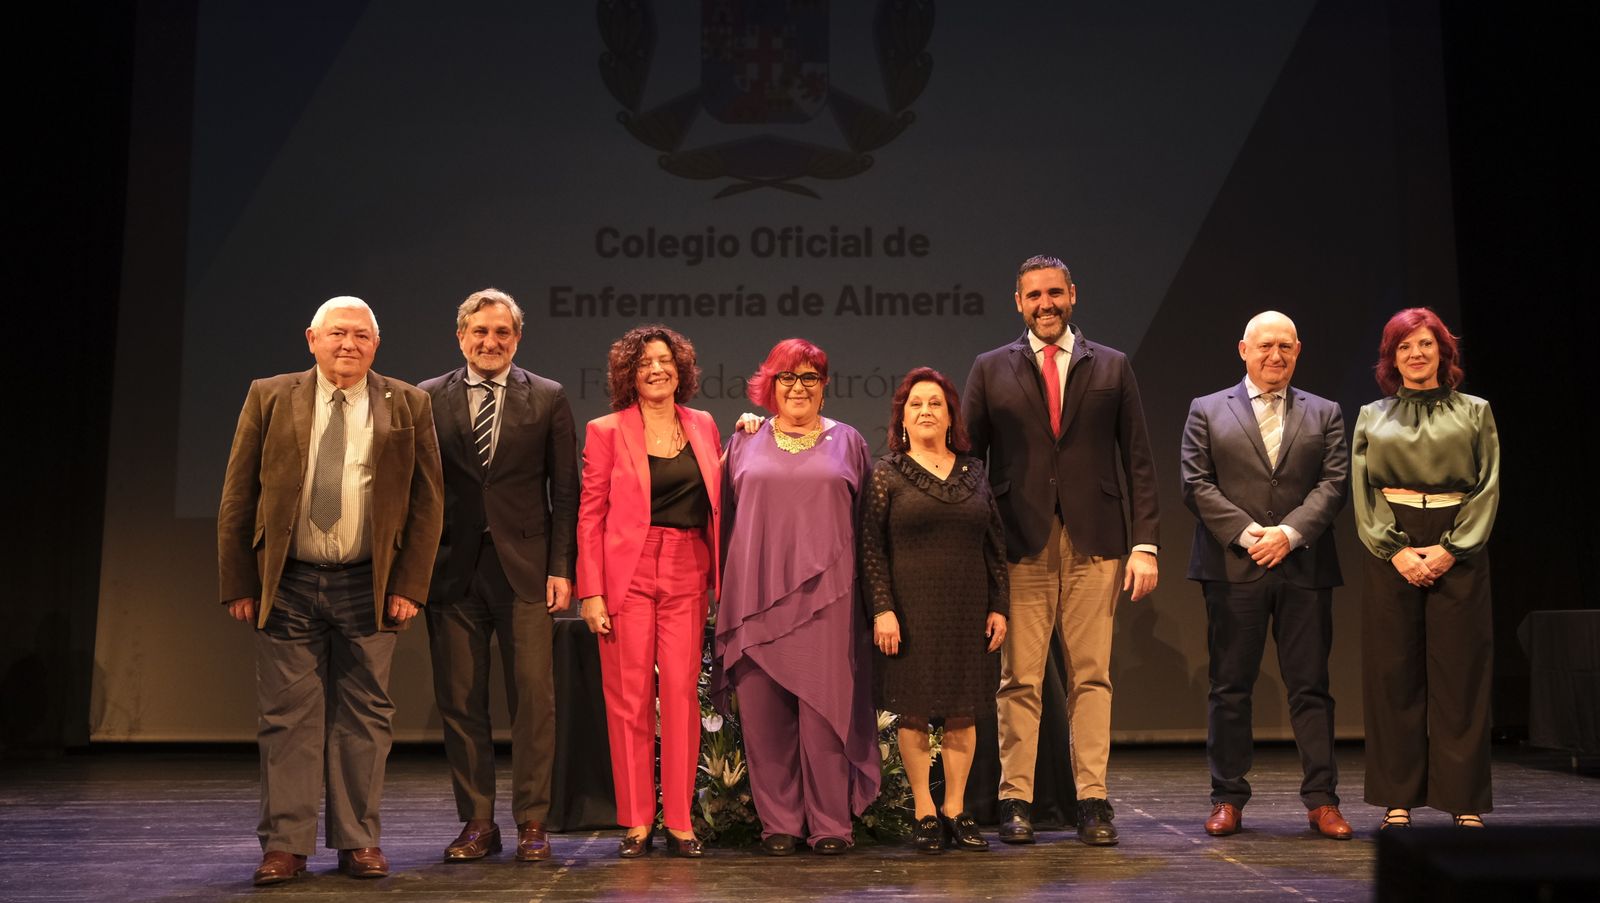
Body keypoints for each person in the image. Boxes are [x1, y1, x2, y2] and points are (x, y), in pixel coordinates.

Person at [218, 296, 444, 885]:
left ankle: (358, 840)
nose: (349, 344)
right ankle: (286, 846)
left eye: (361, 335)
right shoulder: (269, 395)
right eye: (337, 333)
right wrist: (241, 581)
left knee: (366, 716)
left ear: (377, 343)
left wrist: (410, 586)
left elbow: (427, 505)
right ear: (311, 339)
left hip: (368, 585)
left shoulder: (409, 403)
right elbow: (238, 493)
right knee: (285, 718)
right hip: (288, 582)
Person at [963, 255, 1160, 846]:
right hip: (1018, 543)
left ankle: (1092, 799)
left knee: (1091, 676)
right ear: (1017, 303)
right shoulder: (989, 368)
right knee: (1018, 678)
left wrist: (1145, 543)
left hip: (1095, 541)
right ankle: (1015, 799)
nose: (1045, 304)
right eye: (1033, 296)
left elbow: (1139, 463)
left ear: (1072, 295)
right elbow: (969, 463)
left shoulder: (1113, 366)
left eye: (1055, 293)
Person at [1179, 311, 1352, 840]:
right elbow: (1196, 483)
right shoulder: (1207, 409)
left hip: (1303, 566)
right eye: (1265, 346)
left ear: (1298, 350)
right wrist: (1253, 534)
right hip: (1234, 567)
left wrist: (1289, 534)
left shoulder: (1325, 412)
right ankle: (1228, 799)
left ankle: (1322, 801)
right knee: (1230, 687)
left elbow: (1334, 483)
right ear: (1243, 350)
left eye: (1285, 347)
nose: (1275, 356)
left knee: (1311, 688)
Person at [419, 289, 578, 863]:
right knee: (461, 701)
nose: (490, 342)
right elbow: (417, 492)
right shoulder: (426, 398)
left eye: (502, 333)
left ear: (517, 339)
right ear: (461, 336)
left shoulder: (550, 398)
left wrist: (563, 568)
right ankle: (478, 822)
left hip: (527, 571)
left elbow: (565, 490)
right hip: (451, 571)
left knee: (534, 701)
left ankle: (533, 821)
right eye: (479, 332)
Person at [713, 338, 881, 856]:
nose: (799, 388)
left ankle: (831, 824)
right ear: (770, 385)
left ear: (824, 388)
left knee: (825, 714)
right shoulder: (742, 441)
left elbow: (868, 527)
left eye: (810, 378)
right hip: (753, 601)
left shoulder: (849, 441)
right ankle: (780, 824)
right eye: (788, 377)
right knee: (764, 720)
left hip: (828, 602)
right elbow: (722, 522)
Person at [576, 325, 722, 858]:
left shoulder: (703, 425)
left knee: (681, 696)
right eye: (644, 364)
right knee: (630, 699)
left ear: (681, 368)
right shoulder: (606, 430)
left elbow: (721, 488)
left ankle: (681, 820)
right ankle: (637, 819)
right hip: (628, 573)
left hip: (688, 568)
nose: (656, 369)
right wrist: (590, 592)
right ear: (628, 376)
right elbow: (589, 516)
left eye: (665, 360)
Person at [1352, 307, 1499, 830]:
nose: (1415, 354)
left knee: (1461, 674)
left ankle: (1463, 799)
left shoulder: (1476, 412)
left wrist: (1451, 549)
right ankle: (1398, 797)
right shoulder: (1372, 415)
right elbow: (1363, 491)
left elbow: (1487, 487)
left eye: (1425, 344)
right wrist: (1393, 550)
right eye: (1404, 347)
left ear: (1443, 352)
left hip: (1456, 544)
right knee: (1394, 674)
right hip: (1391, 548)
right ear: (1392, 358)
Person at [859, 368, 1009, 853]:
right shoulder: (886, 472)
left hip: (968, 612)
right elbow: (870, 549)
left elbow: (995, 547)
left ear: (951, 417)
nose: (926, 410)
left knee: (965, 713)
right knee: (916, 713)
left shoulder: (974, 472)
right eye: (916, 404)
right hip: (910, 614)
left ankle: (956, 810)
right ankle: (925, 809)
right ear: (902, 418)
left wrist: (999, 607)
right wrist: (883, 610)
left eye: (936, 403)